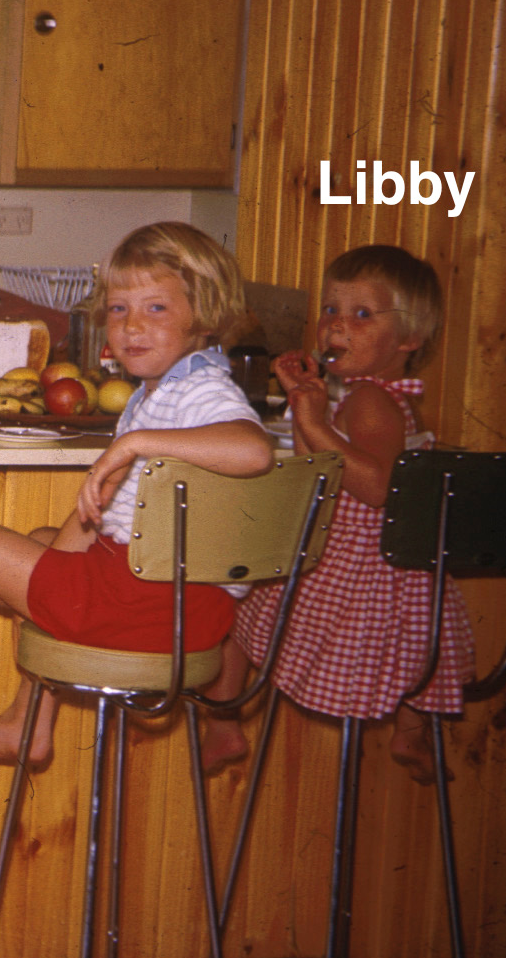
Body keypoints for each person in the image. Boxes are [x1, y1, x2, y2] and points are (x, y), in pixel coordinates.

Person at [0, 222, 275, 767]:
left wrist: (133, 443)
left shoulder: (202, 390)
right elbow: (92, 524)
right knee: (49, 540)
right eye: (118, 310)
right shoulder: (162, 388)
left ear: (204, 312)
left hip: (145, 604)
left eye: (155, 309)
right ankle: (30, 722)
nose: (131, 326)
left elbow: (253, 450)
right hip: (183, 609)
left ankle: (27, 723)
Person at [196, 246, 473, 782]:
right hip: (401, 582)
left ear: (410, 339)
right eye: (329, 310)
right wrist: (306, 404)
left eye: (362, 315)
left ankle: (223, 723)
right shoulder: (374, 398)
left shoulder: (373, 401)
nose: (335, 325)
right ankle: (412, 732)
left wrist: (316, 421)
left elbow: (374, 487)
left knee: (231, 610)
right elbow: (317, 468)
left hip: (350, 578)